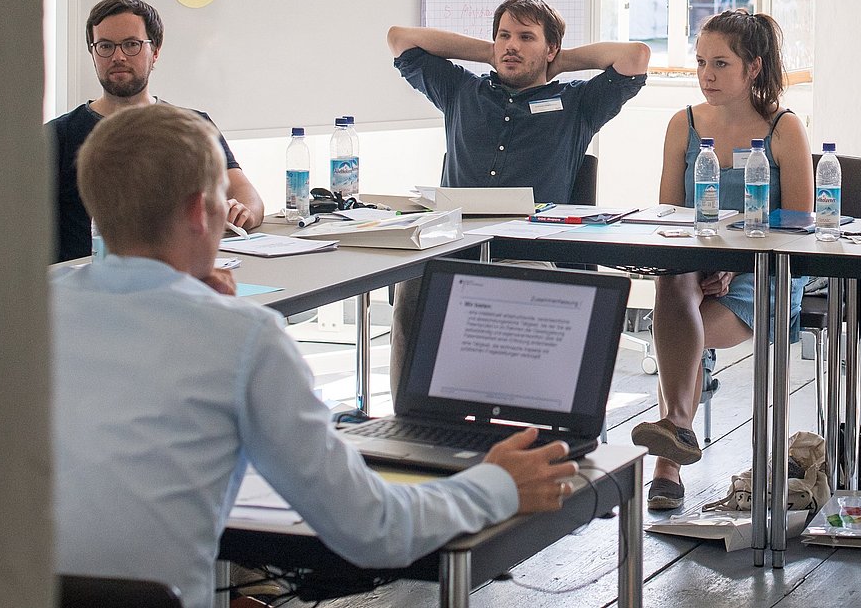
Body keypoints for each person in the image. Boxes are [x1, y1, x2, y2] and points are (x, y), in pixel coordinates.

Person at [53, 103, 577, 608]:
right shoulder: (242, 336)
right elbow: (372, 530)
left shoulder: (33, 307)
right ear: (200, 210)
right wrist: (497, 484)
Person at [385, 0, 650, 396]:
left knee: (525, 281)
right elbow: (399, 38)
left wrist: (558, 61)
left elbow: (636, 56)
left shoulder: (576, 103)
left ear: (550, 48)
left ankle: (526, 407)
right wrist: (490, 52)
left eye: (527, 37)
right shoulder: (461, 90)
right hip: (458, 243)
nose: (512, 45)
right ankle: (413, 411)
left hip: (534, 248)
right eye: (504, 35)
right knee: (414, 282)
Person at [631, 10, 813, 512]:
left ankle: (672, 451)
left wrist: (736, 258)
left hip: (764, 269)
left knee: (678, 332)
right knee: (673, 283)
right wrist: (706, 262)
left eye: (720, 63)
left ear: (753, 68)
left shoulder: (784, 128)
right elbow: (669, 214)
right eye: (700, 63)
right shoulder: (683, 124)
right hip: (694, 270)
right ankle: (678, 433)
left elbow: (799, 222)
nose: (705, 75)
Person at [47, 0, 262, 263]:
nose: (118, 56)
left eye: (131, 44)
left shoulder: (192, 127)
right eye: (105, 46)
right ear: (93, 53)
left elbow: (247, 196)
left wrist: (245, 212)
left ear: (155, 51)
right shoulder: (58, 137)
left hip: (178, 281)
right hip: (89, 290)